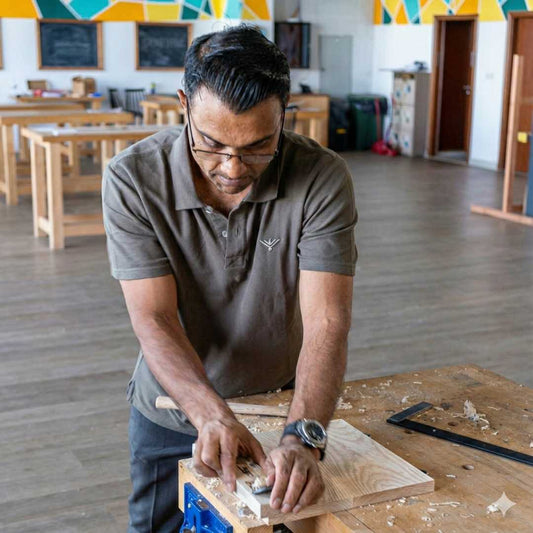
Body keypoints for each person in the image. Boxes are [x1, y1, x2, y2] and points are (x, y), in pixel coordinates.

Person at [102, 25, 357, 533]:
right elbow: (153, 317)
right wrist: (209, 414)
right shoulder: (132, 179)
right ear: (183, 105)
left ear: (286, 113)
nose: (233, 168)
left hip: (278, 402)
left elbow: (327, 321)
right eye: (212, 143)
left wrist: (303, 437)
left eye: (259, 146)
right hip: (172, 405)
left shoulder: (321, 177)